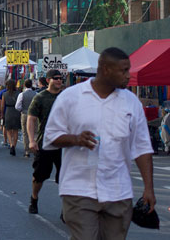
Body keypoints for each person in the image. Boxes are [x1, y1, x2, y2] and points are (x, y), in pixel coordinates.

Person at [43, 48, 155, 239]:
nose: (128, 76)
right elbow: (51, 136)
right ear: (105, 69)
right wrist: (75, 139)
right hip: (79, 190)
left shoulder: (131, 103)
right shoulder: (70, 97)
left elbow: (142, 147)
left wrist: (148, 188)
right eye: (124, 70)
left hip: (118, 191)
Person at [26, 69, 64, 214]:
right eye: (56, 78)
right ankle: (34, 198)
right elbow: (31, 119)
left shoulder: (65, 97)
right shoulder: (40, 97)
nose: (59, 80)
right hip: (45, 143)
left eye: (61, 78)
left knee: (65, 178)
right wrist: (31, 140)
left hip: (64, 144)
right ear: (48, 80)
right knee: (39, 176)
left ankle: (66, 209)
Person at [15, 79, 36, 158]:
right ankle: (34, 149)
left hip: (24, 113)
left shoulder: (22, 94)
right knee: (34, 131)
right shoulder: (36, 94)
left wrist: (22, 110)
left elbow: (17, 106)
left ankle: (27, 150)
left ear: (24, 85)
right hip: (34, 114)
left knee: (25, 132)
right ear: (31, 85)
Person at [0, 80, 21, 156]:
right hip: (16, 112)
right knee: (15, 130)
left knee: (8, 130)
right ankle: (14, 145)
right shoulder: (18, 94)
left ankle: (10, 144)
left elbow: (2, 106)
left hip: (8, 111)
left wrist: (1, 114)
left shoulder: (4, 94)